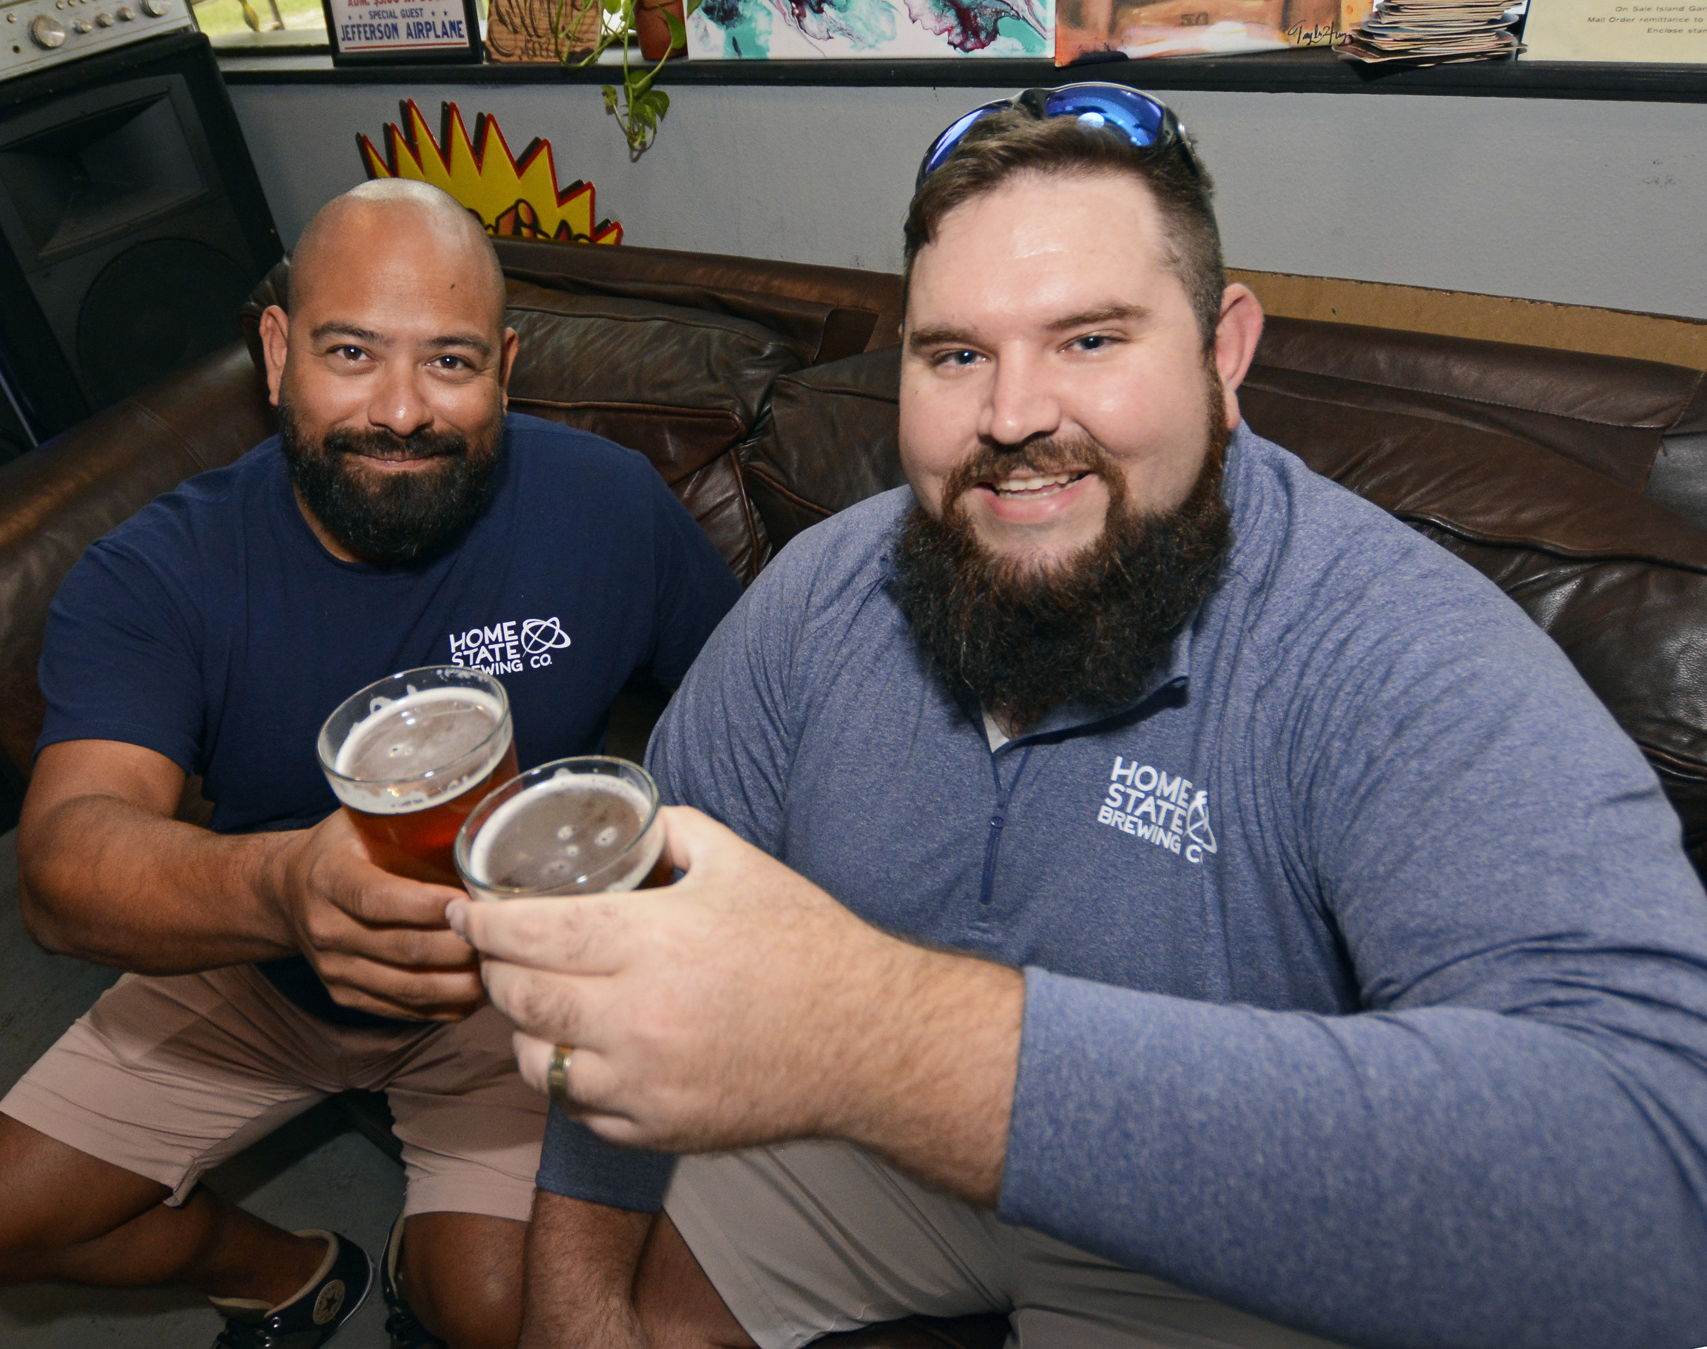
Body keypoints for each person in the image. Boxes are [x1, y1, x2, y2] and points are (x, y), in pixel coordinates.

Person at [451, 87, 1707, 1349]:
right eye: (954, 354)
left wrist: (872, 1033)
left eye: (1090, 340)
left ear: (1223, 350)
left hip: (1215, 1210)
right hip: (858, 1134)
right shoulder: (819, 598)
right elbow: (622, 974)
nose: (1010, 417)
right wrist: (572, 1309)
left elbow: (1658, 1180)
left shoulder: (1388, 648)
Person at [0, 179, 743, 1349]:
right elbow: (64, 862)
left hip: (499, 984)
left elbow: (749, 710)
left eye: (450, 362)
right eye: (351, 352)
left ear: (505, 368)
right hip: (253, 956)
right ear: (276, 353)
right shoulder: (153, 573)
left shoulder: (608, 505)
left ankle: (424, 1264)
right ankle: (287, 1269)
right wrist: (281, 890)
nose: (401, 410)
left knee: (492, 1311)